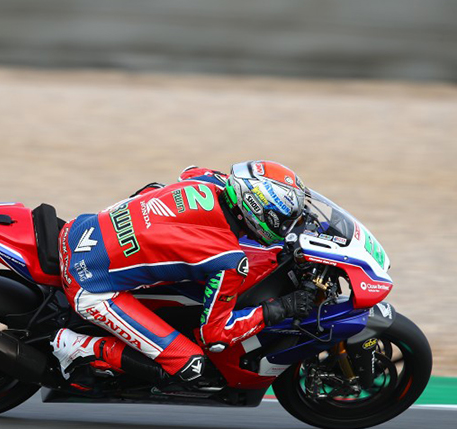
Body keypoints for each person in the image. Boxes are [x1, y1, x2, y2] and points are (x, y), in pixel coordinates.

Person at [51, 160, 315, 390]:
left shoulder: (211, 181)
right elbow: (215, 336)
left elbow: (189, 172)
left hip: (80, 230)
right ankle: (81, 347)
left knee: (155, 190)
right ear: (258, 211)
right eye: (285, 218)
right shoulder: (228, 261)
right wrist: (281, 308)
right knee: (191, 367)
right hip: (90, 284)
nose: (291, 224)